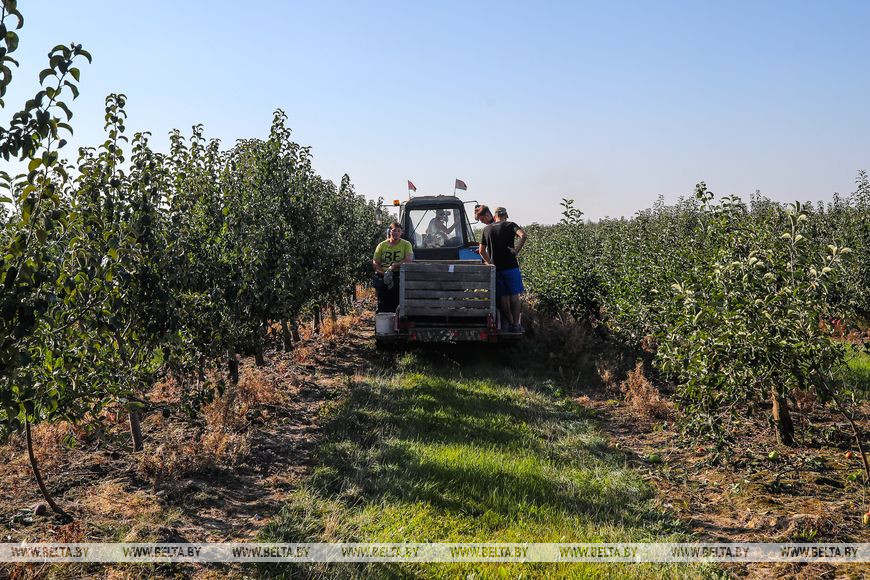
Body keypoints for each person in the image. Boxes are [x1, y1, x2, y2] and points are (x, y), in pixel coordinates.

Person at [479, 207, 527, 333]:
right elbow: (523, 236)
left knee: (503, 297)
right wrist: (516, 251)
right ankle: (516, 325)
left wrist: (490, 263)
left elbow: (481, 251)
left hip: (497, 269)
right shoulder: (511, 225)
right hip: (511, 267)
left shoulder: (487, 229)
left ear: (495, 217)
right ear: (506, 216)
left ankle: (510, 322)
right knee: (514, 297)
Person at [372, 222, 413, 313]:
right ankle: (383, 314)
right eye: (394, 230)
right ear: (390, 232)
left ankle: (396, 315)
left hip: (399, 273)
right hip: (383, 274)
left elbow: (408, 260)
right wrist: (383, 273)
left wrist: (395, 265)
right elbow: (375, 262)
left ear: (401, 233)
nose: (396, 233)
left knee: (396, 289)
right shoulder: (382, 245)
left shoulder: (406, 244)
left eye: (398, 231)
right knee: (381, 288)